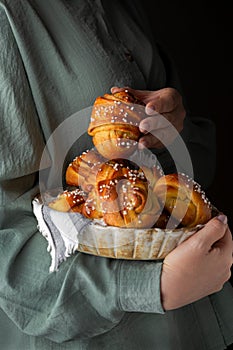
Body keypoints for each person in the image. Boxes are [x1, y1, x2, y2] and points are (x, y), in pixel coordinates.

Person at [0, 0, 232, 349]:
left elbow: (189, 170)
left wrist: (172, 128)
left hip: (197, 317)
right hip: (101, 336)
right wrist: (151, 286)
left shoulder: (124, 6)